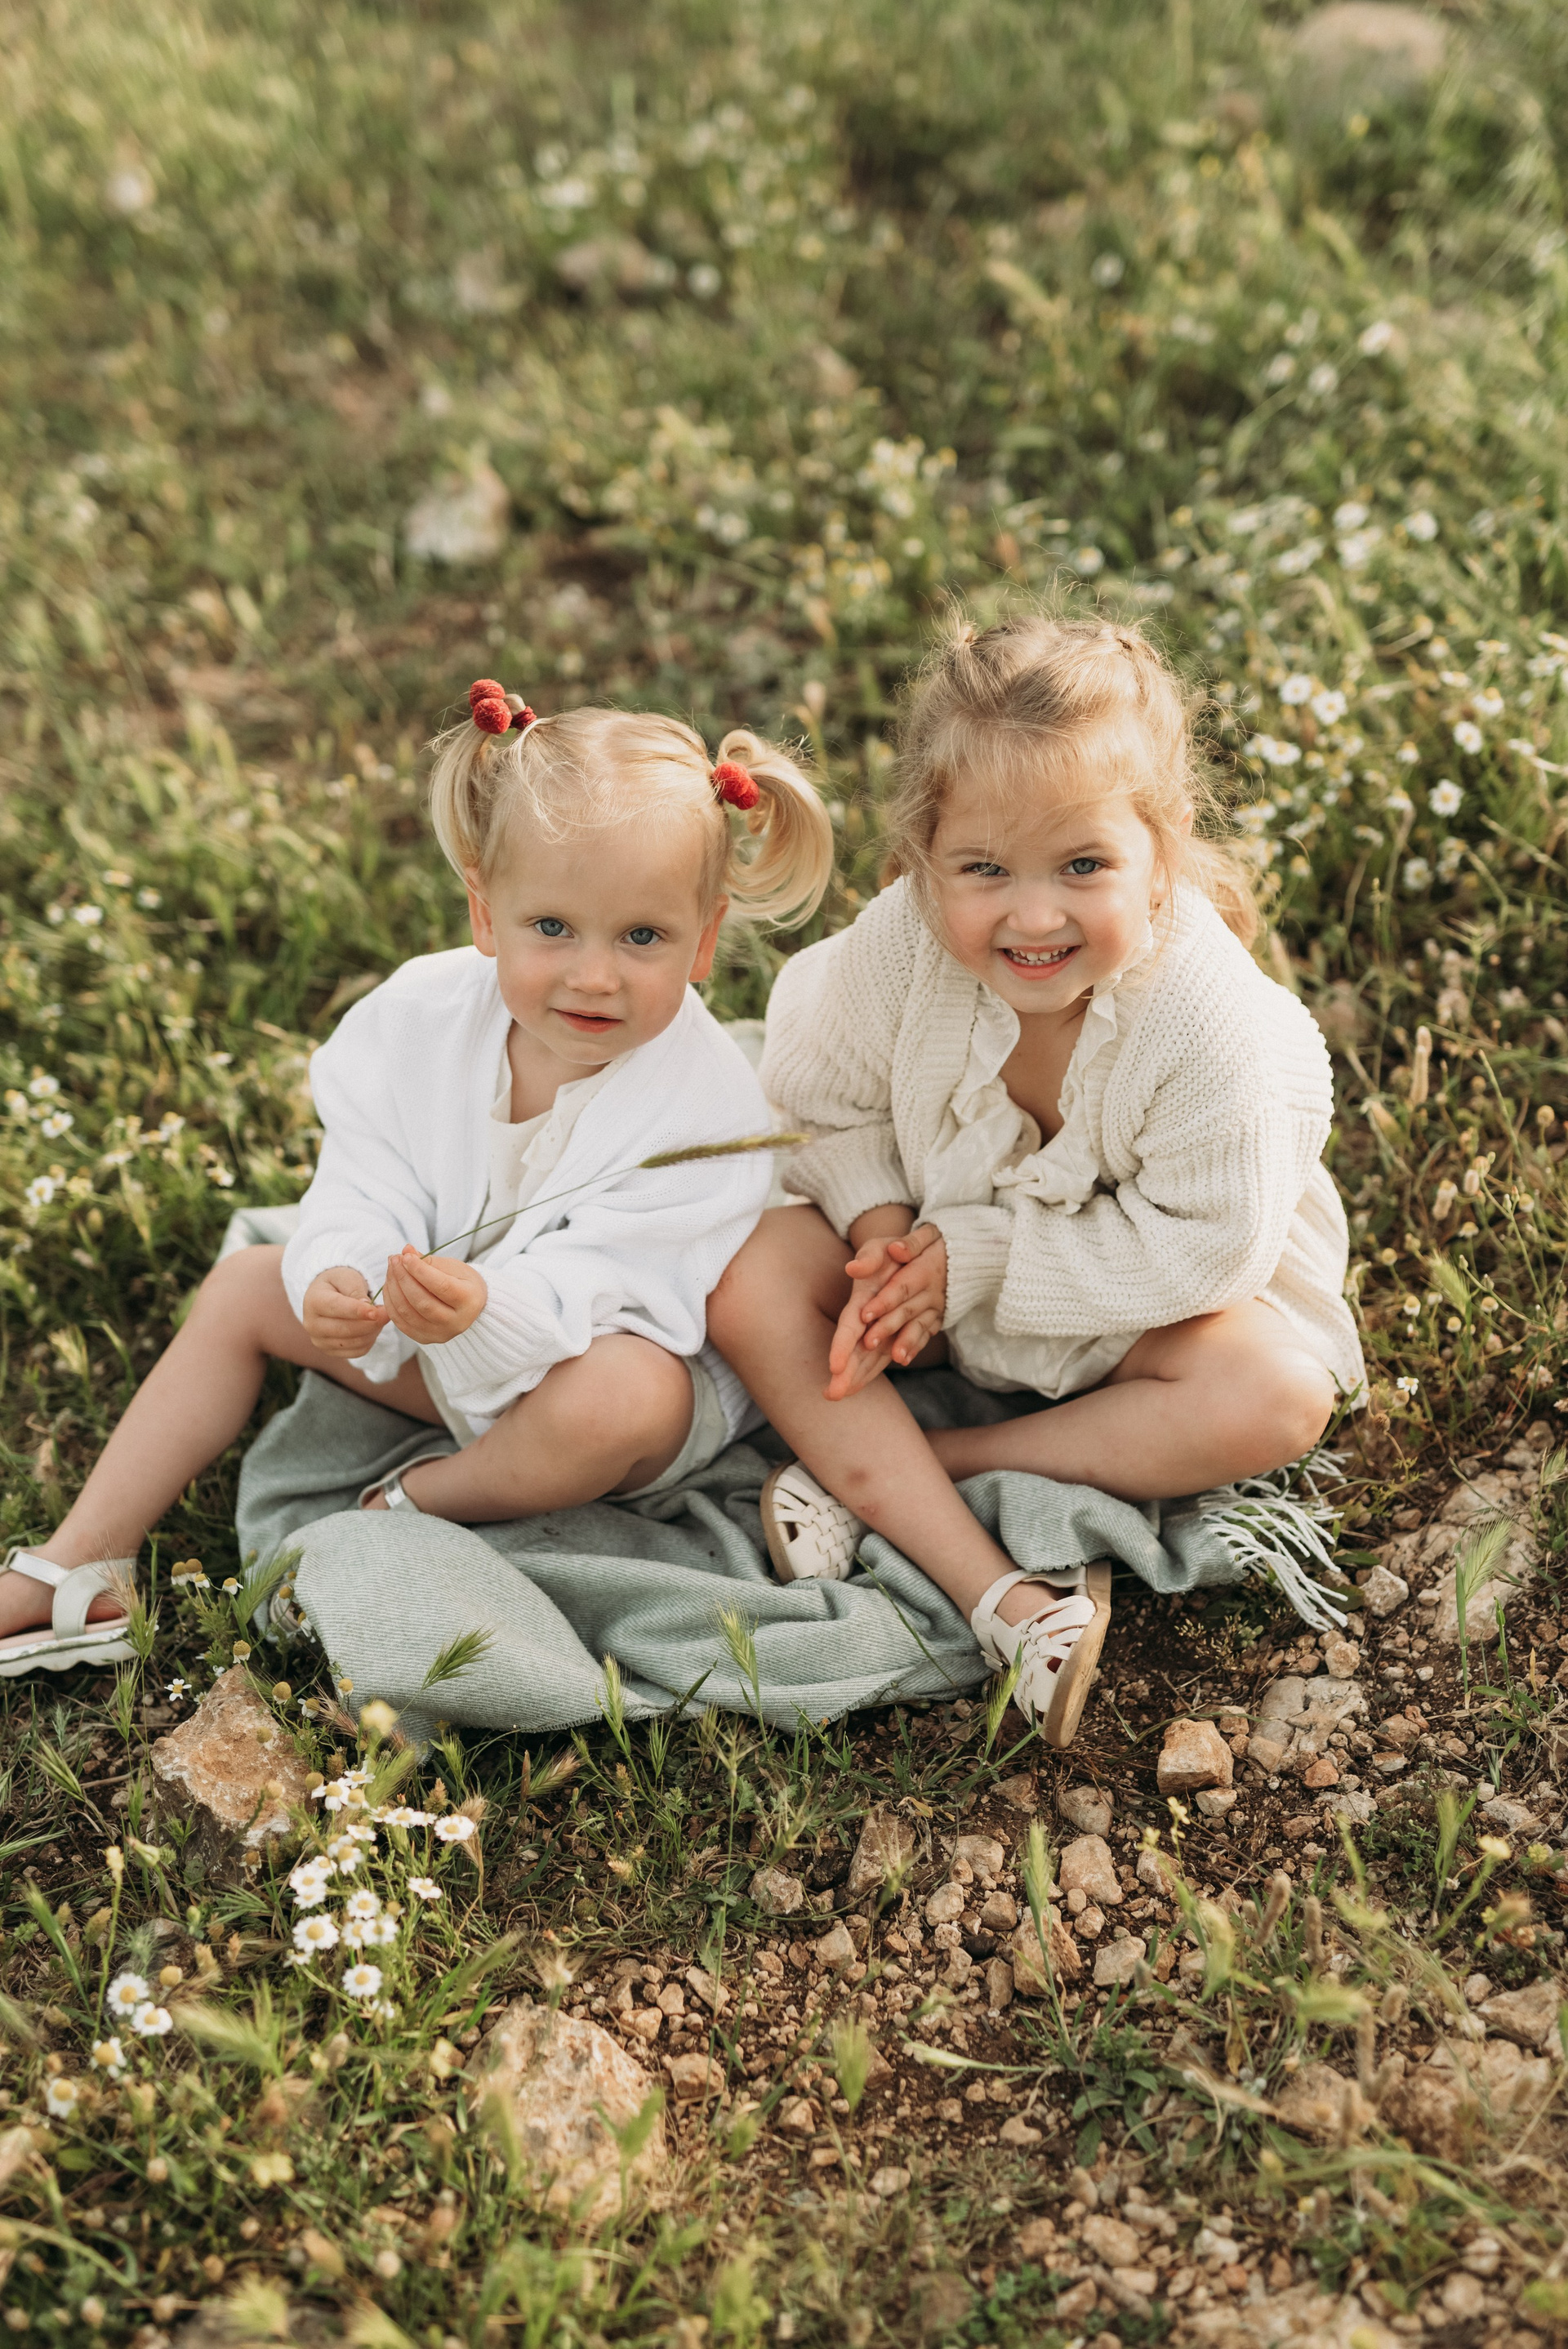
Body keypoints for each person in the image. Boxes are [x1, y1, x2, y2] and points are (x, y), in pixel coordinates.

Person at [0, 684, 832, 1677]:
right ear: (485, 911)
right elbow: (366, 1170)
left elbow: (628, 1282)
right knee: (242, 1287)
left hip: (595, 1381)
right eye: (552, 926)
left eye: (642, 936)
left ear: (704, 939)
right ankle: (85, 1556)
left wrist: (488, 1306)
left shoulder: (710, 1111)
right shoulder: (420, 1016)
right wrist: (343, 1271)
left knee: (624, 1397)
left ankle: (419, 1497)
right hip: (442, 1346)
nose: (593, 975)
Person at [708, 613, 1365, 1747]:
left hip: (1132, 1313)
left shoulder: (1210, 1026)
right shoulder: (905, 943)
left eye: (1083, 865)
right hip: (929, 1271)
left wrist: (981, 1259)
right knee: (754, 1274)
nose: (1034, 914)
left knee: (1277, 1393)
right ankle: (977, 1566)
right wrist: (884, 1238)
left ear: (1163, 845)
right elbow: (821, 1096)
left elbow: (1205, 1248)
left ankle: (926, 1464)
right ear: (925, 856)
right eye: (983, 870)